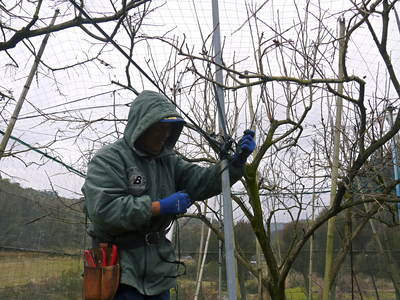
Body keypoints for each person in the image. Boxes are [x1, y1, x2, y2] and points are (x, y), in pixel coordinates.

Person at [82, 90, 256, 300]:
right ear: (142, 126)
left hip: (158, 272)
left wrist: (235, 163)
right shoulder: (109, 159)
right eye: (159, 128)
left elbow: (201, 181)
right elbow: (104, 210)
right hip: (119, 272)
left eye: (169, 129)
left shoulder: (168, 161)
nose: (165, 134)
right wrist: (158, 207)